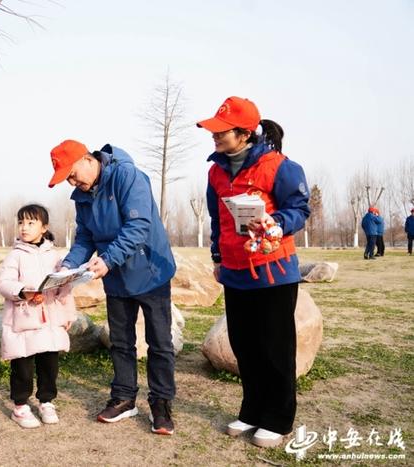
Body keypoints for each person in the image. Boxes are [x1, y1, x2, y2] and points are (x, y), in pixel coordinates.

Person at [199, 96, 310, 448]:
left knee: (274, 346)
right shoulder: (215, 171)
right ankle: (252, 410)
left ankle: (278, 418)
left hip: (273, 271)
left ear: (245, 133)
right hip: (234, 271)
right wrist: (217, 256)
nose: (214, 136)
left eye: (221, 131)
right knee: (244, 345)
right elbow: (217, 219)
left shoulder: (280, 166)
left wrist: (277, 222)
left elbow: (300, 209)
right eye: (213, 130)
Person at [48, 139, 178, 436]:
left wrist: (108, 259)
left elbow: (138, 226)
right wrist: (68, 266)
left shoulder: (126, 176)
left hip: (150, 270)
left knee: (159, 342)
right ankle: (124, 397)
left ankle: (161, 403)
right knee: (120, 341)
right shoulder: (81, 196)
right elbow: (85, 237)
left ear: (86, 159)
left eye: (72, 174)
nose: (72, 182)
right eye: (66, 179)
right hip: (116, 276)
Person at [0, 204, 77, 429]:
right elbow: (4, 282)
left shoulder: (55, 255)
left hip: (50, 320)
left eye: (31, 223)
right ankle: (20, 406)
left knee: (49, 364)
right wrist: (24, 291)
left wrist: (68, 313)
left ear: (44, 227)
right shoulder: (16, 255)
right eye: (21, 222)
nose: (24, 227)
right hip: (24, 319)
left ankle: (46, 401)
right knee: (22, 364)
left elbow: (65, 287)